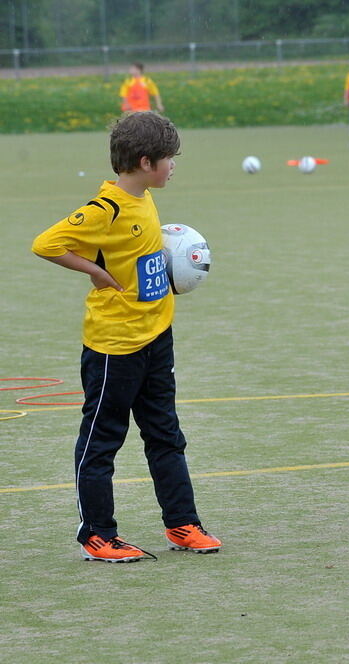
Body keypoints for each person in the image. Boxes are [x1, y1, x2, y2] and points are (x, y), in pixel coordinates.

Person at [32, 112, 221, 562]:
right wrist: (96, 271)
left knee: (166, 435)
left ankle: (182, 523)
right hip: (115, 347)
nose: (173, 166)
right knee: (102, 441)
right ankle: (97, 535)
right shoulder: (105, 210)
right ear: (143, 161)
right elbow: (46, 243)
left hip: (157, 337)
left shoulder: (145, 199)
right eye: (168, 159)